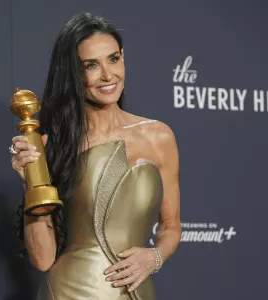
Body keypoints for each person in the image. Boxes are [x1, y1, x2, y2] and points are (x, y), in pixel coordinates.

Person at [10, 12, 181, 300]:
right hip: (69, 291)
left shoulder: (159, 136)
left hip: (137, 291)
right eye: (91, 65)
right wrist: (31, 183)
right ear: (74, 74)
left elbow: (171, 226)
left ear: (123, 57)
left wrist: (153, 257)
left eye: (113, 59)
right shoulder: (55, 146)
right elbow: (43, 259)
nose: (107, 76)